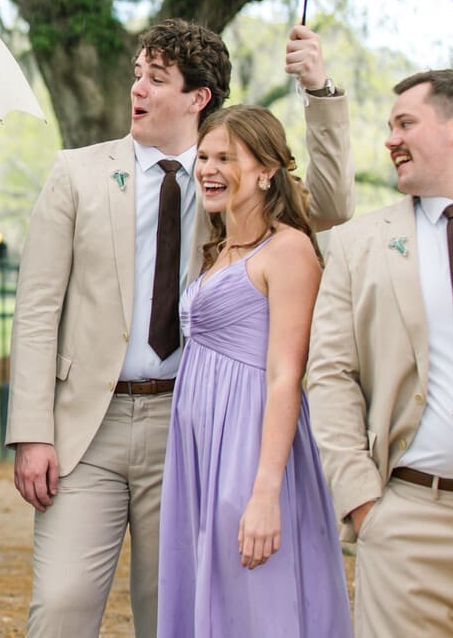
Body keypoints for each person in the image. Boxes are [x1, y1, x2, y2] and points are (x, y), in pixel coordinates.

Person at [6, 22, 354, 637]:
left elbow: (330, 203)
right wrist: (33, 431)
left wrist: (318, 88)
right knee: (60, 604)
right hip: (88, 426)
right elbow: (36, 310)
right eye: (137, 74)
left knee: (175, 610)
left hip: (192, 430)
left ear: (199, 97)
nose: (138, 87)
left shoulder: (228, 174)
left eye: (156, 78)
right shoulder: (77, 173)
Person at [156, 105, 350, 636]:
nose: (208, 169)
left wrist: (265, 492)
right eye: (203, 157)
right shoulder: (217, 249)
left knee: (254, 601)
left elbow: (286, 375)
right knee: (208, 588)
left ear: (267, 170)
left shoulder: (288, 250)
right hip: (198, 449)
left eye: (225, 158)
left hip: (248, 449)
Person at [307, 69, 453, 637]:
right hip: (406, 522)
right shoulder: (357, 244)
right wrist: (365, 505)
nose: (390, 139)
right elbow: (330, 375)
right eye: (389, 126)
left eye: (405, 123)